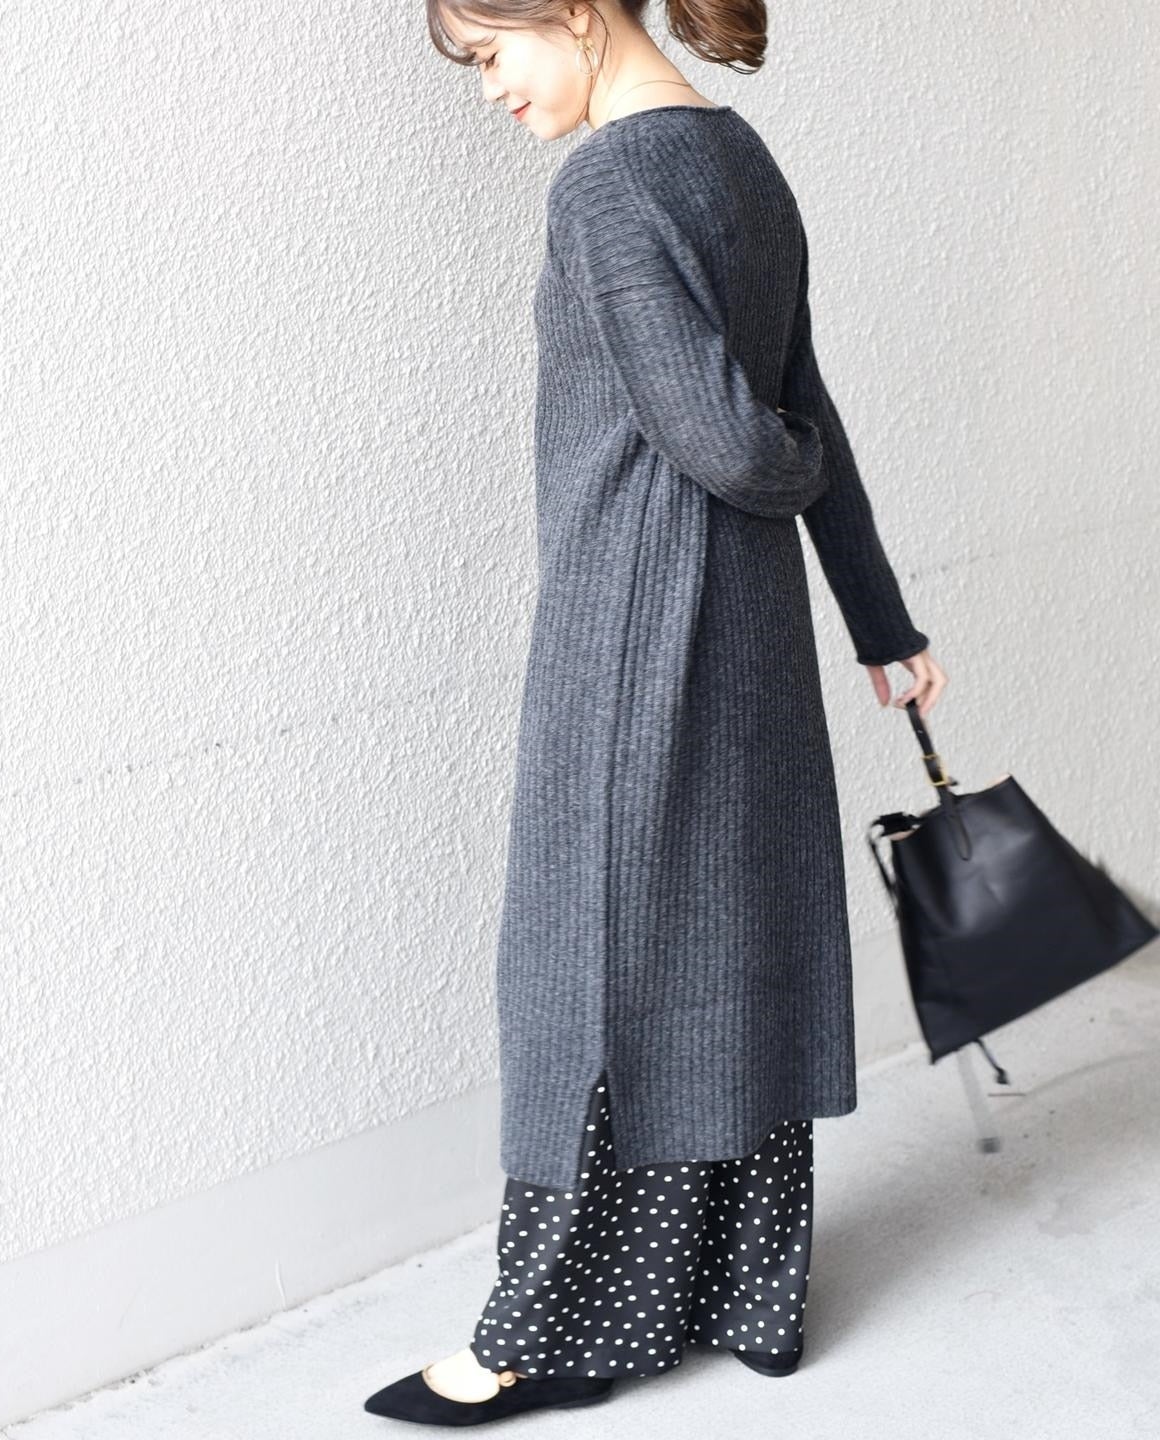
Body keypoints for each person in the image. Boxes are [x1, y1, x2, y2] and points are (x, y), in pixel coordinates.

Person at [366, 0, 948, 1425]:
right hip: (750, 626)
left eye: (491, 53)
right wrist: (880, 620)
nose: (490, 90)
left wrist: (788, 466)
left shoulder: (608, 186)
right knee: (728, 938)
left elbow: (744, 437)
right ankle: (747, 1297)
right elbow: (807, 402)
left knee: (589, 969)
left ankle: (542, 1336)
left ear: (573, 13)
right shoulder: (741, 159)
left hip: (634, 629)